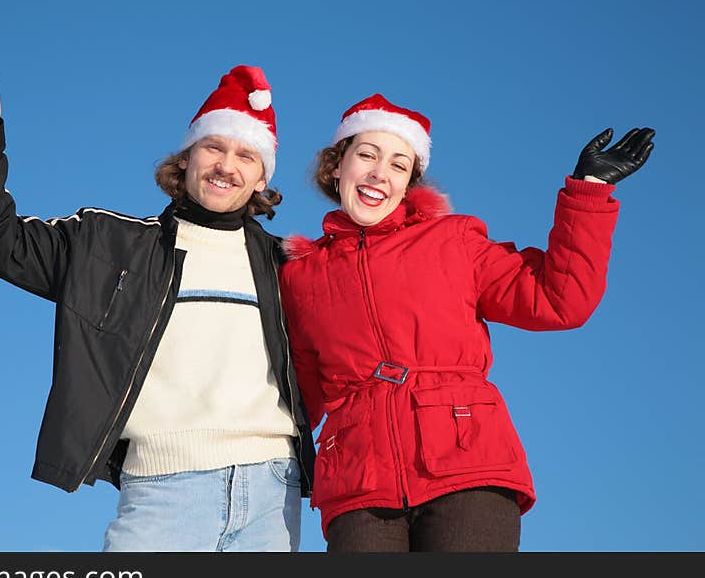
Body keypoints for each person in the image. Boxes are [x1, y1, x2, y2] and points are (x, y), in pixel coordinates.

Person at [0, 46, 315, 552]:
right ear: (187, 157)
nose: (226, 166)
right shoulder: (105, 245)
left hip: (271, 496)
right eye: (213, 148)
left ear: (263, 177)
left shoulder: (294, 265)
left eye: (246, 156)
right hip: (162, 490)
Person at [277, 93, 654, 551]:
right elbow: (300, 394)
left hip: (466, 462)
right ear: (337, 167)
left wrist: (588, 191)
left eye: (399, 165)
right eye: (367, 155)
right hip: (358, 481)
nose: (380, 173)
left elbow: (560, 300)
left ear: (408, 184)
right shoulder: (300, 275)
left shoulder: (453, 242)